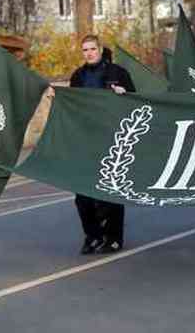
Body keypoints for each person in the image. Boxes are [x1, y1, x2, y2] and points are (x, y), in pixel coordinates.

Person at [69, 35, 135, 254]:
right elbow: (72, 105)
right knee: (82, 195)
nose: (89, 53)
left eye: (92, 49)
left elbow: (135, 100)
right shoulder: (77, 76)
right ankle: (93, 235)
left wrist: (124, 94)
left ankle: (113, 238)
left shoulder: (117, 73)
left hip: (112, 139)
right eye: (85, 50)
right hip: (86, 141)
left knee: (110, 191)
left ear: (100, 50)